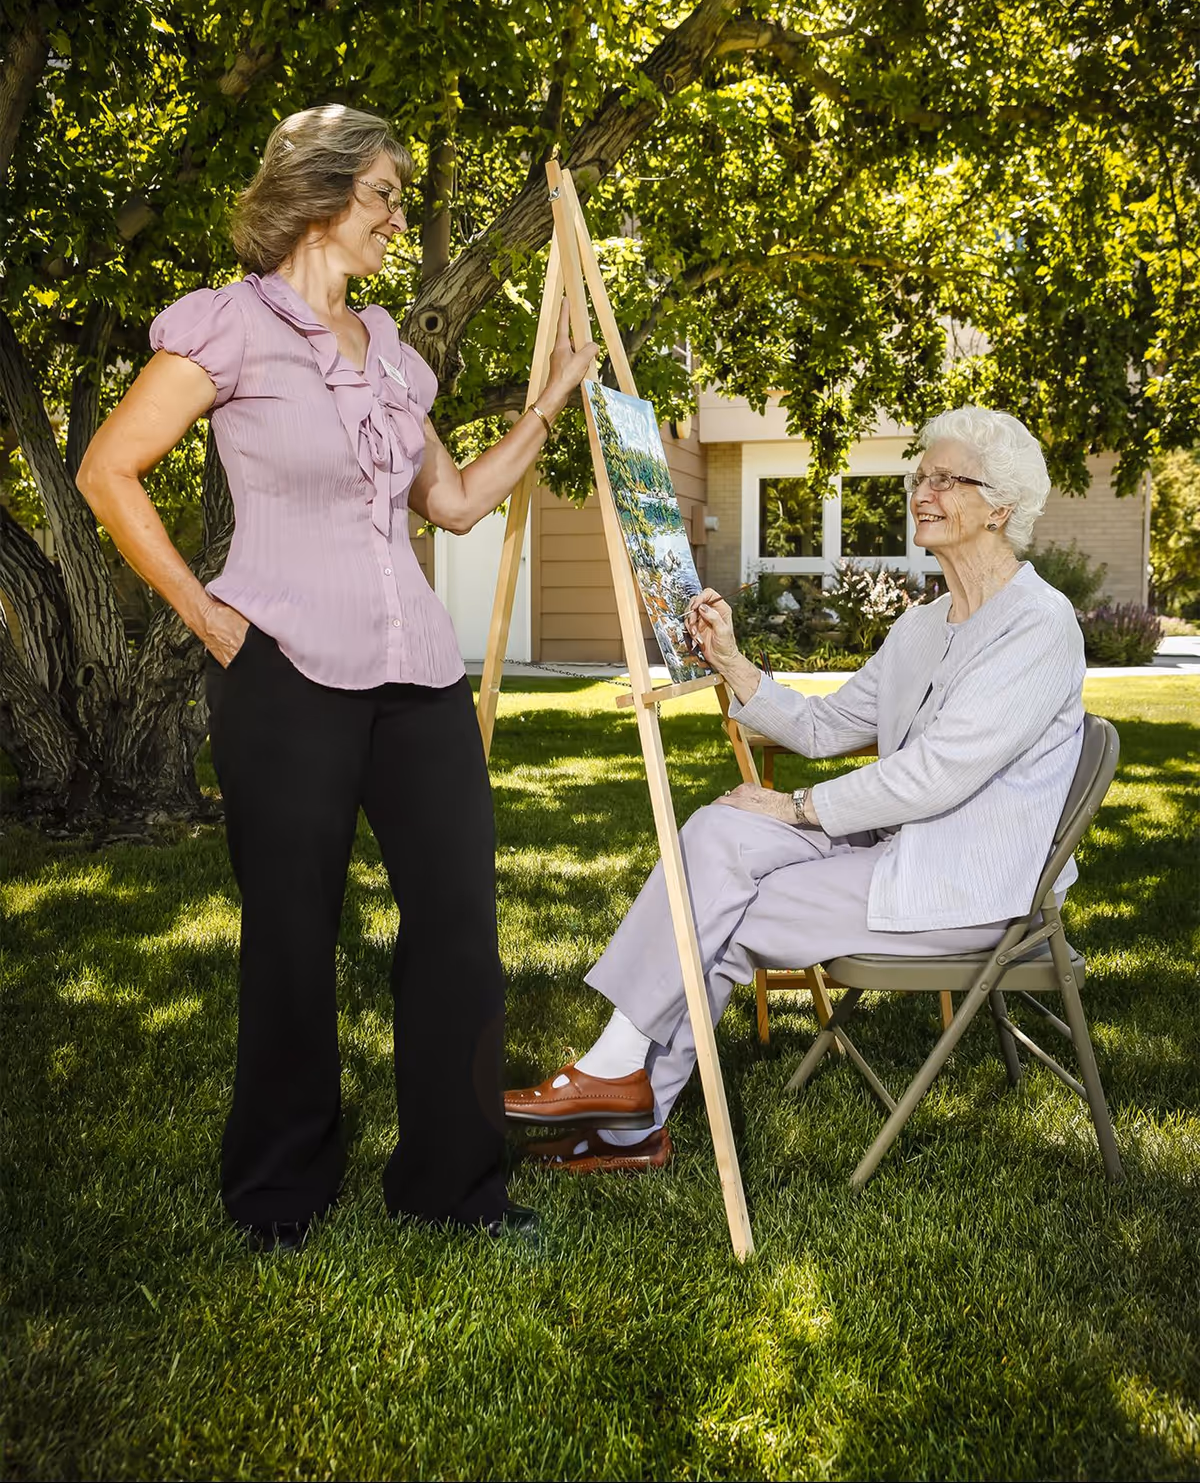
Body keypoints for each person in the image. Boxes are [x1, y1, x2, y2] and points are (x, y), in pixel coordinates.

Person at [77, 103, 597, 1246]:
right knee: (292, 932)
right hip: (283, 673)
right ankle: (279, 1189)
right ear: (317, 199)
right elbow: (109, 470)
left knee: (460, 923)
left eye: (401, 197)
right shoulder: (225, 329)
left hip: (417, 676)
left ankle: (455, 1184)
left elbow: (452, 506)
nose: (398, 218)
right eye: (384, 196)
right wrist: (206, 614)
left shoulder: (396, 353)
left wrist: (546, 407)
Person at [505, 406, 1086, 1173]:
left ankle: (627, 1115)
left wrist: (795, 806)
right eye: (921, 476)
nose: (923, 491)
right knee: (718, 833)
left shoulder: (1039, 626)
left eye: (948, 479)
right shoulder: (923, 626)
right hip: (894, 846)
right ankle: (617, 1083)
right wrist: (732, 661)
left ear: (1000, 507)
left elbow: (937, 773)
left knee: (723, 908)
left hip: (965, 886)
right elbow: (823, 726)